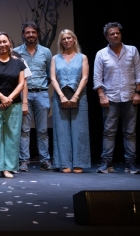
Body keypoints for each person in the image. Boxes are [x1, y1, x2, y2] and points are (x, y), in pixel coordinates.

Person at [93, 22, 140, 174]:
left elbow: (138, 73)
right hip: (110, 98)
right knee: (109, 132)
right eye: (112, 34)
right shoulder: (101, 54)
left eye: (117, 33)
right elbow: (97, 77)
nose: (115, 35)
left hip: (129, 96)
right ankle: (106, 163)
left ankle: (131, 163)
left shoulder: (132, 50)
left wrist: (137, 92)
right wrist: (101, 95)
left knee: (130, 132)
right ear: (107, 37)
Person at [0, 32, 27, 178]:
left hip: (14, 104)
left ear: (9, 43)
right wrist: (2, 98)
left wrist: (9, 99)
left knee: (12, 135)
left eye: (4, 41)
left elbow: (21, 83)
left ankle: (8, 168)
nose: (2, 44)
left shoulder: (18, 62)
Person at [14, 22, 53, 172]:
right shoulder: (16, 52)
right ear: (23, 35)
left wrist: (41, 88)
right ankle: (24, 161)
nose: (30, 35)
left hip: (42, 93)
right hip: (24, 94)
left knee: (43, 130)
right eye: (27, 32)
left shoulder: (46, 52)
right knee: (24, 130)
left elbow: (49, 75)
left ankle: (44, 160)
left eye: (33, 32)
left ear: (37, 34)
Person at [50, 30, 90, 173]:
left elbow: (85, 77)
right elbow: (53, 78)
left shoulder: (82, 57)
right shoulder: (56, 58)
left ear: (74, 40)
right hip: (60, 95)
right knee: (61, 130)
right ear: (61, 42)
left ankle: (79, 162)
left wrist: (76, 96)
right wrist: (61, 95)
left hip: (78, 95)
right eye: (64, 39)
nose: (66, 41)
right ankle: (64, 163)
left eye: (69, 38)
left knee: (79, 130)